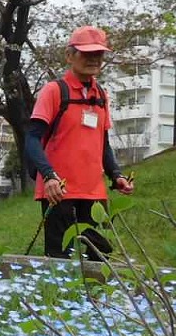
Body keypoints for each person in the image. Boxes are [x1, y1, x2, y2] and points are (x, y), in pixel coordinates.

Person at [23, 25, 134, 260]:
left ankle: (95, 297)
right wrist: (49, 176)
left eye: (98, 54)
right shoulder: (54, 91)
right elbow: (32, 138)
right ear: (69, 55)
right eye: (86, 53)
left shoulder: (101, 96)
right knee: (59, 257)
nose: (93, 59)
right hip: (58, 189)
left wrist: (116, 175)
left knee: (101, 253)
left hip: (93, 189)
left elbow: (102, 142)